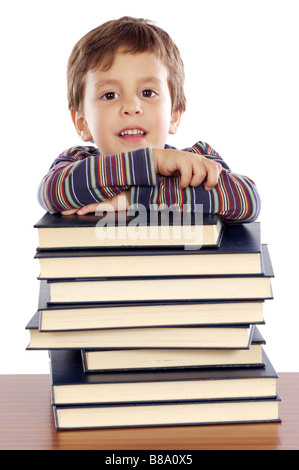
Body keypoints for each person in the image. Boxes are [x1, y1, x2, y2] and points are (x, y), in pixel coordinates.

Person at [38, 16, 260, 223]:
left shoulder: (197, 159)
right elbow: (52, 192)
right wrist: (152, 161)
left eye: (147, 93)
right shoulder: (74, 162)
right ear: (82, 122)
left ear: (174, 114)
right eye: (109, 95)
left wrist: (135, 198)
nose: (131, 107)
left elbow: (247, 199)